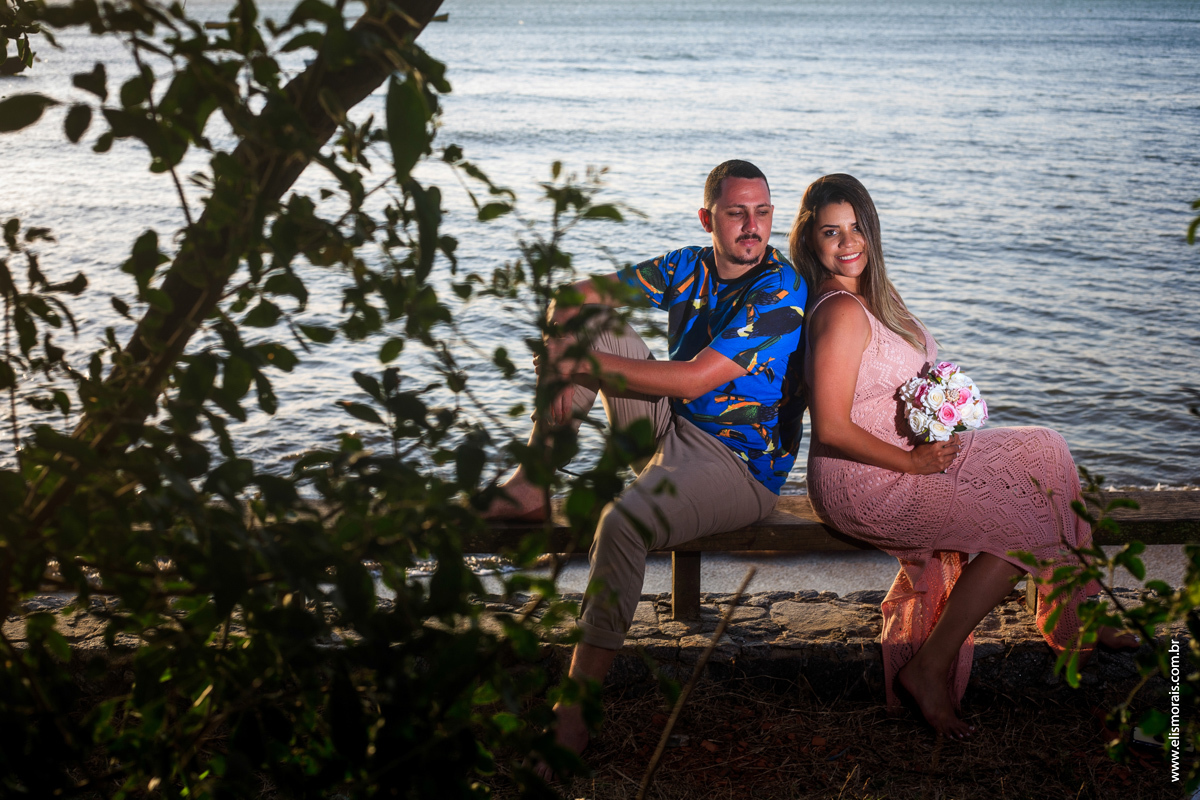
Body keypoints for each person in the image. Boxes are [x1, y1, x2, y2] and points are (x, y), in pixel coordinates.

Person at [790, 173, 1139, 740]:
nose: (847, 241)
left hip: (906, 458)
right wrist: (913, 462)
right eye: (831, 232)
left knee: (1045, 452)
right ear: (810, 241)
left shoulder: (873, 296)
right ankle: (933, 668)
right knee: (1026, 515)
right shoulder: (838, 313)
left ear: (871, 231)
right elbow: (829, 428)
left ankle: (1082, 608)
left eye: (856, 228)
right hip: (867, 480)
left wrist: (943, 409)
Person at [488, 160, 808, 771]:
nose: (752, 227)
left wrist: (580, 368)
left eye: (762, 212)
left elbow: (691, 380)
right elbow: (575, 295)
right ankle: (531, 483)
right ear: (707, 217)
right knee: (590, 321)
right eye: (737, 213)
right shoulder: (686, 265)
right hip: (666, 431)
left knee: (621, 523)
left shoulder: (780, 291)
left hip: (738, 467)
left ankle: (574, 716)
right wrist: (561, 340)